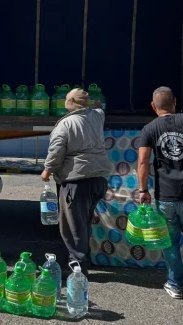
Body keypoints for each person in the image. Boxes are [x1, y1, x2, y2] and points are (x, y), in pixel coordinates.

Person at [138, 86, 183, 299]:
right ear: (175, 102)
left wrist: (143, 190)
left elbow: (143, 162)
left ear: (153, 106)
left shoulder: (150, 128)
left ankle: (175, 284)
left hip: (166, 196)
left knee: (169, 241)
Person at [41, 88, 112, 277]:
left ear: (70, 102)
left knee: (72, 225)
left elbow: (56, 151)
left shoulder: (65, 124)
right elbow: (98, 109)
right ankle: (81, 259)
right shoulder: (97, 116)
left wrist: (47, 170)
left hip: (76, 180)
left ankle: (77, 267)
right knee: (84, 221)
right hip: (98, 178)